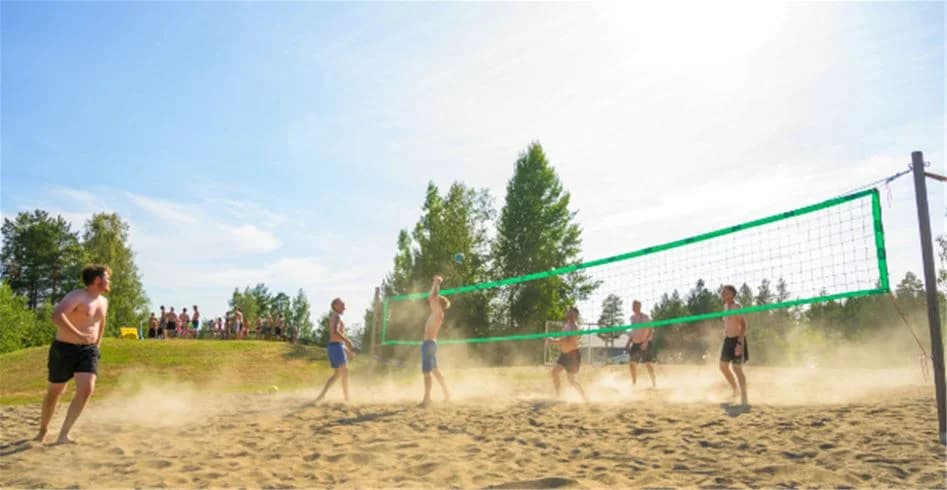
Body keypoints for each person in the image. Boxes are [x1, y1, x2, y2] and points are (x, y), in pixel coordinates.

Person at [34, 265, 110, 445]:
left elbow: (101, 323)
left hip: (88, 351)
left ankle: (63, 434)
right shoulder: (76, 296)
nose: (109, 281)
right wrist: (78, 334)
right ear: (97, 280)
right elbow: (57, 316)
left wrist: (97, 345)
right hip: (64, 349)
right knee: (55, 392)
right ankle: (43, 430)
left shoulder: (103, 301)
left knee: (86, 390)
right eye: (107, 277)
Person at [315, 298, 355, 403]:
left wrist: (347, 351)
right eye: (342, 305)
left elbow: (336, 339)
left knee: (338, 374)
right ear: (336, 305)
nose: (344, 307)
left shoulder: (337, 317)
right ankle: (347, 399)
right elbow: (335, 333)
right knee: (344, 372)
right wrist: (348, 340)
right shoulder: (336, 316)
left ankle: (322, 395)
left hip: (336, 346)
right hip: (336, 347)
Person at [420, 275, 451, 407]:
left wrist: (436, 283)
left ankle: (427, 399)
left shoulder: (438, 312)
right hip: (431, 344)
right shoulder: (438, 313)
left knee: (427, 373)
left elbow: (432, 295)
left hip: (428, 344)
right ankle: (447, 393)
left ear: (439, 304)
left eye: (436, 301)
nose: (433, 301)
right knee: (435, 371)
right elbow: (432, 297)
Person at [546, 307, 589, 403]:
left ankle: (584, 397)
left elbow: (567, 340)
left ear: (575, 316)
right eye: (568, 313)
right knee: (554, 372)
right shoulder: (567, 325)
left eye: (571, 314)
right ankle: (558, 396)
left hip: (572, 356)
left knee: (571, 380)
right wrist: (554, 340)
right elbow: (564, 339)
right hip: (564, 355)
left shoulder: (574, 326)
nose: (569, 315)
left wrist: (553, 340)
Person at [720, 285, 749, 409]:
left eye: (725, 293)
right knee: (723, 366)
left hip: (737, 339)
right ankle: (735, 390)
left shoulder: (736, 307)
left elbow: (743, 326)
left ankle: (744, 397)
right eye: (722, 292)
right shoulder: (725, 307)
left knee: (737, 368)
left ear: (732, 294)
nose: (722, 294)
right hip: (728, 340)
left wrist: (739, 343)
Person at [623, 300, 656, 388]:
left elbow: (651, 330)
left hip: (645, 343)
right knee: (631, 363)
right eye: (633, 306)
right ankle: (634, 383)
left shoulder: (645, 317)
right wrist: (628, 343)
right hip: (636, 343)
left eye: (636, 306)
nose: (634, 307)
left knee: (648, 364)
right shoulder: (632, 318)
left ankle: (654, 383)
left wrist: (645, 342)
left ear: (640, 307)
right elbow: (633, 332)